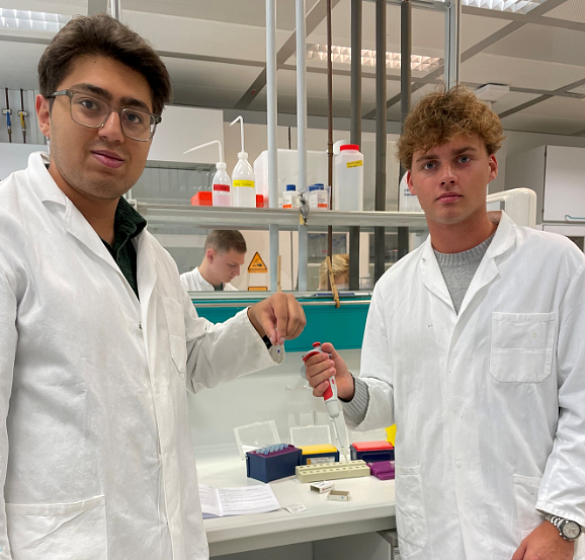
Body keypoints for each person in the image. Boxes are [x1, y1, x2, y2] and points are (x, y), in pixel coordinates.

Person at [0, 14, 306, 560]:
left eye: (134, 115)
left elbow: (186, 362)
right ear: (45, 112)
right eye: (90, 104)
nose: (113, 130)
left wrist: (254, 327)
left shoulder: (151, 256)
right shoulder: (10, 233)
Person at [305, 87, 585, 560]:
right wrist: (350, 388)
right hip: (433, 533)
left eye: (463, 158)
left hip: (526, 532)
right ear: (411, 181)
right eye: (430, 164)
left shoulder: (556, 264)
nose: (447, 176)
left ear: (491, 166)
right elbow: (390, 398)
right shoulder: (394, 288)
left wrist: (562, 521)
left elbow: (581, 405)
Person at [180, 230, 246, 291]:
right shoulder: (181, 287)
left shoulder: (234, 294)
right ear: (210, 256)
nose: (238, 273)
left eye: (240, 265)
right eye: (232, 265)